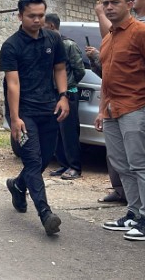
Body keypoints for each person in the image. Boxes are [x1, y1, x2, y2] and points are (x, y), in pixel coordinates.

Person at [95, 0, 145, 242]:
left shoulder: (144, 32)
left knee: (140, 163)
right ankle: (134, 213)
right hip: (113, 109)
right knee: (121, 164)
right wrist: (102, 110)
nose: (109, 7)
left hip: (138, 105)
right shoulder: (108, 37)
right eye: (106, 3)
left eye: (115, 2)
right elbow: (107, 78)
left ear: (129, 4)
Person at [1, 0, 70, 236]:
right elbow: (13, 84)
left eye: (41, 15)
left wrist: (63, 96)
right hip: (25, 111)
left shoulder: (53, 38)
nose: (37, 20)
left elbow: (60, 68)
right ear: (20, 16)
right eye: (32, 16)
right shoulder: (11, 45)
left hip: (49, 107)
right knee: (32, 160)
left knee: (44, 158)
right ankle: (45, 213)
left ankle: (18, 186)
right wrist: (15, 118)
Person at [44, 13, 85, 180]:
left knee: (69, 132)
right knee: (57, 132)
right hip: (53, 95)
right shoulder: (48, 45)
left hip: (69, 94)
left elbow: (79, 70)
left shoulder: (68, 45)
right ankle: (63, 164)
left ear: (52, 26)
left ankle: (75, 167)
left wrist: (68, 86)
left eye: (43, 26)